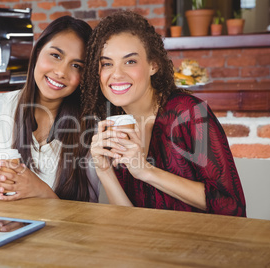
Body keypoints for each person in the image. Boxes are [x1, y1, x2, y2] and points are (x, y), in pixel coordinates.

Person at [80, 11, 246, 216]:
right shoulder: (118, 125)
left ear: (153, 65)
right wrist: (103, 170)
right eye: (107, 63)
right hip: (151, 245)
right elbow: (128, 221)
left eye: (130, 61)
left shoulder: (189, 113)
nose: (117, 74)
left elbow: (230, 204)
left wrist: (145, 171)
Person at [0, 16, 99, 202]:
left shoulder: (92, 127)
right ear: (37, 52)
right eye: (56, 55)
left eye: (76, 65)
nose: (61, 72)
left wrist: (42, 191)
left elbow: (95, 215)